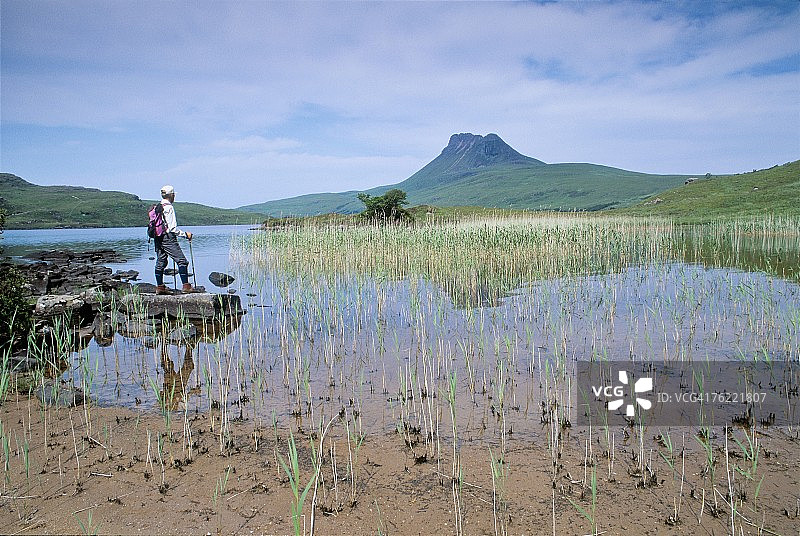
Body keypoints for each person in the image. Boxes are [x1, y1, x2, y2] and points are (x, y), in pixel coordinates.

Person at [154, 185, 200, 294]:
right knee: (182, 261)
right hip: (168, 238)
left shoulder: (158, 206)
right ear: (171, 195)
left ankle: (160, 287)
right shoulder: (169, 207)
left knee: (161, 262)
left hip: (158, 237)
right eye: (173, 195)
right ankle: (186, 286)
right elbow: (173, 228)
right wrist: (185, 235)